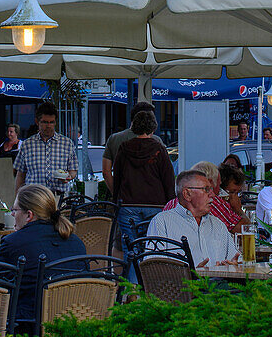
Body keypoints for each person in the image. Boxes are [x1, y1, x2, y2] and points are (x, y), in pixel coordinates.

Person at [0, 183, 87, 332]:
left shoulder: (13, 243)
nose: (12, 214)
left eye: (15, 210)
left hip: (29, 327)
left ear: (29, 215)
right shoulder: (76, 242)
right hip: (74, 322)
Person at [114, 110, 176, 276]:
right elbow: (168, 179)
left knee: (130, 250)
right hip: (155, 205)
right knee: (153, 249)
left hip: (128, 204)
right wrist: (171, 205)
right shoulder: (159, 149)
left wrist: (116, 202)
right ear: (153, 128)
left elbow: (117, 177)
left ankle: (132, 291)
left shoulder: (124, 148)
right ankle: (151, 288)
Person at [146, 170, 238, 268]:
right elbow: (153, 267)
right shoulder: (162, 222)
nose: (212, 195)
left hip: (219, 282)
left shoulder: (217, 224)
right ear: (187, 194)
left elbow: (235, 258)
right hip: (181, 283)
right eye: (206, 189)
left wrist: (233, 265)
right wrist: (191, 275)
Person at [163, 160, 245, 235]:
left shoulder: (170, 204)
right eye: (218, 184)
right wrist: (238, 210)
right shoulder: (212, 202)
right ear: (209, 182)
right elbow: (244, 230)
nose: (218, 190)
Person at [14, 103, 77, 197]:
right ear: (37, 122)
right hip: (34, 197)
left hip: (58, 196)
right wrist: (17, 199)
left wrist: (69, 176)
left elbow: (73, 169)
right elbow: (20, 175)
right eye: (44, 122)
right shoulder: (27, 144)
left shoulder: (67, 143)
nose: (48, 126)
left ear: (55, 122)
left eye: (51, 122)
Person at [101, 102, 164, 195]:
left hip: (124, 196)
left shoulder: (114, 139)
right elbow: (165, 173)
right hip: (152, 196)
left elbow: (106, 172)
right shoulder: (156, 141)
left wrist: (115, 193)